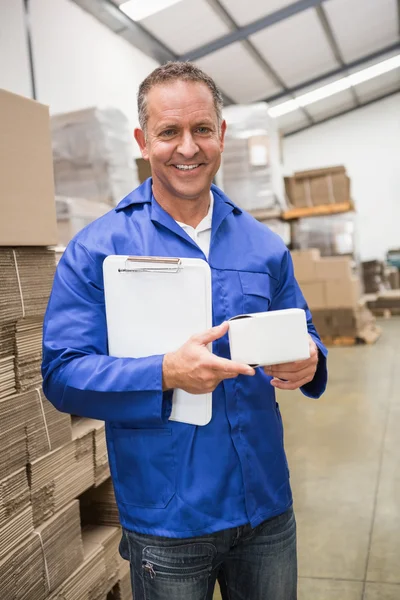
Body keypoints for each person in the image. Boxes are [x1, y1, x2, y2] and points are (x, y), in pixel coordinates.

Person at [42, 61, 327, 600]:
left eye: (201, 129)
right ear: (143, 140)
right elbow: (62, 374)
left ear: (221, 134)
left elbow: (305, 333)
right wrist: (164, 372)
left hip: (264, 504)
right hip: (168, 518)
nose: (188, 148)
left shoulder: (263, 245)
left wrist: (310, 357)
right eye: (168, 132)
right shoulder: (97, 250)